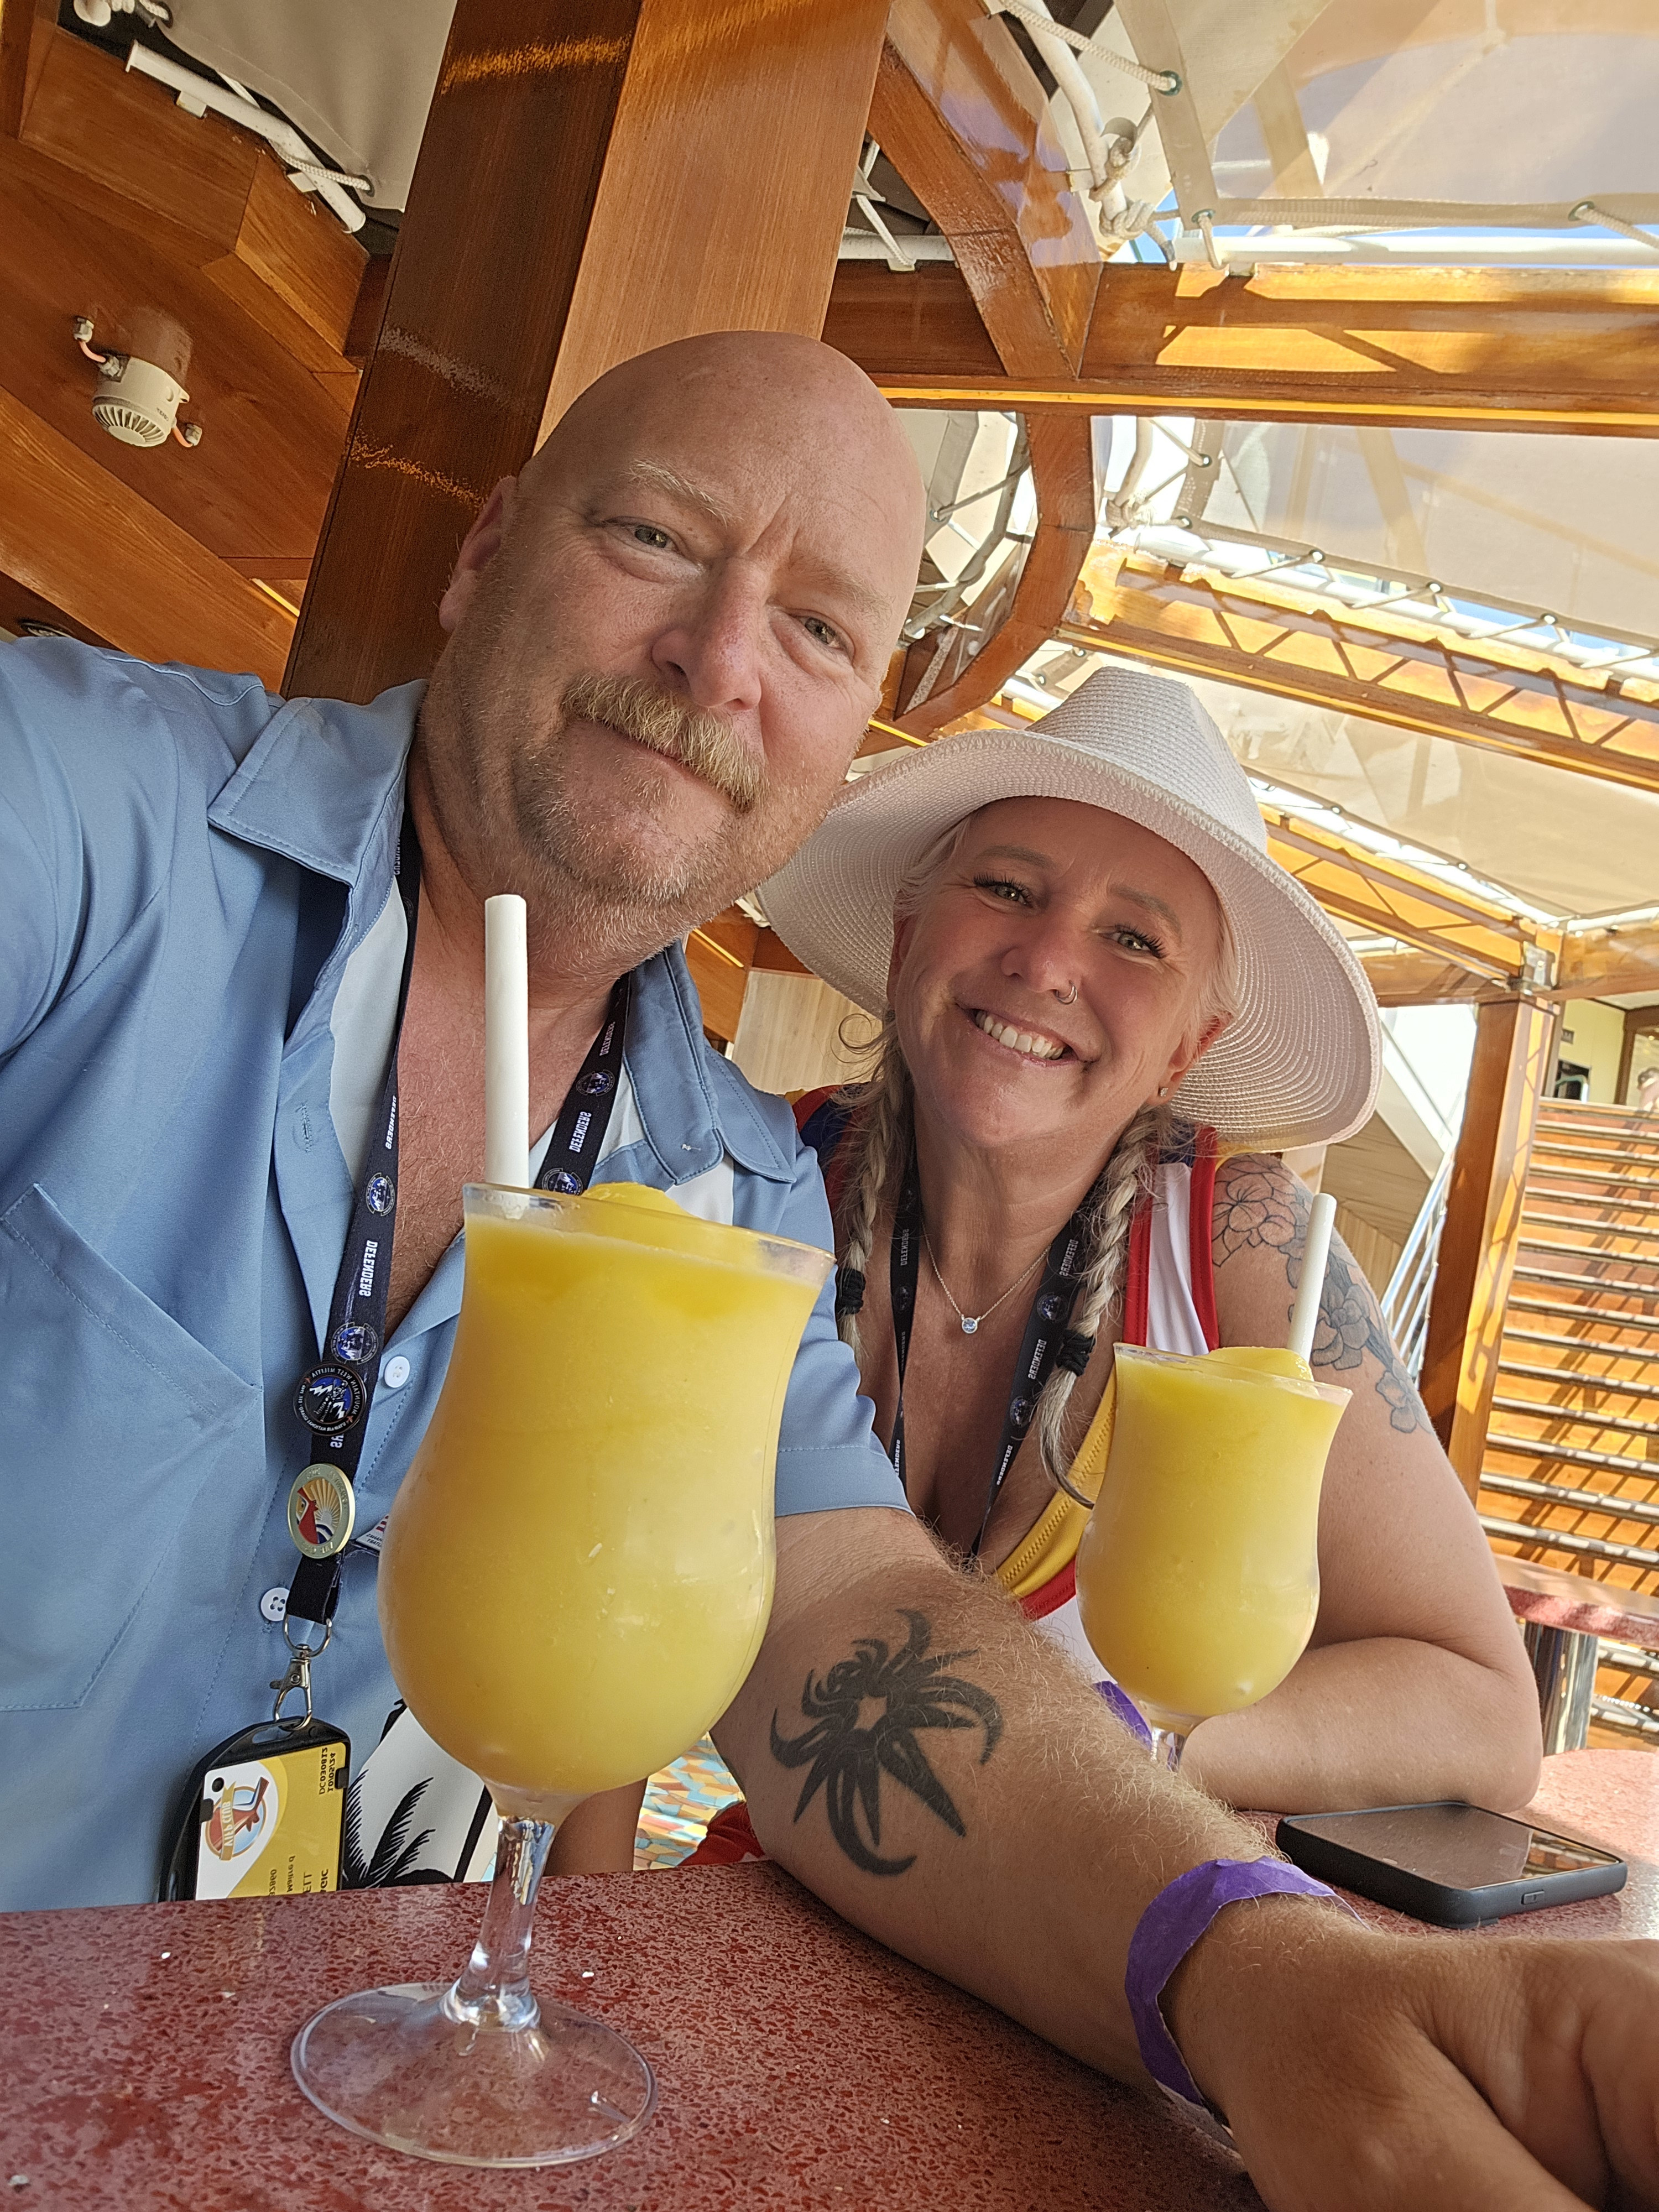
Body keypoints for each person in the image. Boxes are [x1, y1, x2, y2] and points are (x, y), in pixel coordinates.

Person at [3, 331, 1657, 2212]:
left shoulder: (727, 1181)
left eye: (816, 630)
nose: (719, 660)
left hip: (295, 2108)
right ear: (485, 552)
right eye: (654, 536)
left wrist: (1263, 1980)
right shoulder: (86, 824)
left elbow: (853, 1633)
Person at [739, 666, 1541, 1819]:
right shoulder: (765, 1187)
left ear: (1185, 1049)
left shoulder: (1242, 1249)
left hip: (1099, 1894)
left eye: (1134, 938)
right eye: (1007, 888)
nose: (1048, 961)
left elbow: (1483, 1712)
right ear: (910, 937)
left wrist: (1104, 1747)